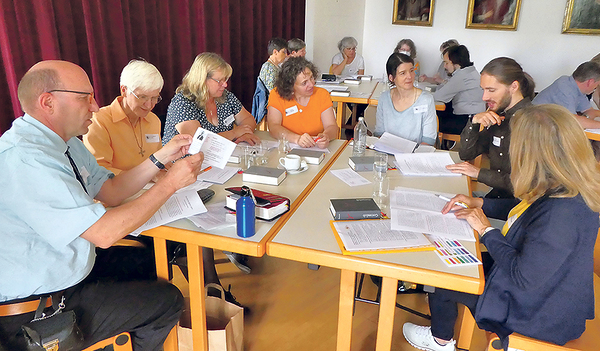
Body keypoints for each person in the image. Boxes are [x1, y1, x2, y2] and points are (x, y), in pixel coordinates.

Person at [0, 60, 204, 350]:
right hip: (39, 304)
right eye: (85, 97)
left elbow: (110, 191)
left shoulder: (65, 143)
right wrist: (170, 184)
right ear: (48, 102)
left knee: (153, 264)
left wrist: (161, 158)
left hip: (71, 264)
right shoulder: (26, 159)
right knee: (167, 300)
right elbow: (104, 234)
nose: (95, 106)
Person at [403, 104, 600, 351]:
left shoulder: (562, 213)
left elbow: (522, 277)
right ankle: (441, 337)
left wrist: (486, 230)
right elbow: (526, 212)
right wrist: (481, 203)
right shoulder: (567, 183)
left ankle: (440, 341)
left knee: (447, 276)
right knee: (448, 265)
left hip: (536, 312)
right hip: (544, 289)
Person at [448, 57, 534, 199]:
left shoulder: (532, 124)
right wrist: (474, 123)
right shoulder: (499, 117)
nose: (484, 97)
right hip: (497, 197)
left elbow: (524, 183)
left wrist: (478, 173)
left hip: (517, 207)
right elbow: (466, 154)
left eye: (491, 90)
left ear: (514, 87)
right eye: (483, 90)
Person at [83, 59, 163, 175]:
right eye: (142, 97)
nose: (149, 105)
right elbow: (99, 171)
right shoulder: (99, 121)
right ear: (124, 91)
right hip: (117, 190)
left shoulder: (153, 120)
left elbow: (158, 159)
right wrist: (145, 175)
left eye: (154, 98)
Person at [163, 52, 260, 146]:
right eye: (219, 81)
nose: (225, 85)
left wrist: (245, 134)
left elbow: (248, 119)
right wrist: (234, 133)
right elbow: (198, 141)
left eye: (225, 79)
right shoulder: (182, 102)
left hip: (218, 158)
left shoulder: (225, 96)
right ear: (202, 79)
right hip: (183, 161)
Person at [267, 57, 339, 148]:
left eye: (312, 78)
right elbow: (273, 127)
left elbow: (332, 126)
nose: (312, 84)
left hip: (315, 147)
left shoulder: (322, 94)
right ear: (291, 87)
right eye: (304, 83)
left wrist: (326, 136)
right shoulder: (277, 95)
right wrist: (297, 139)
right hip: (286, 147)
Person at [374, 53, 437, 146]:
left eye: (411, 71)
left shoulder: (426, 100)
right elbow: (379, 134)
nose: (409, 76)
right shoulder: (384, 98)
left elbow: (428, 140)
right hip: (387, 152)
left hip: (414, 155)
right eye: (403, 73)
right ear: (391, 77)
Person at [434, 45, 485, 136]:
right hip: (474, 117)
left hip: (467, 122)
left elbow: (439, 96)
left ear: (455, 63)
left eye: (446, 63)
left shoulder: (461, 76)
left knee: (429, 120)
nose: (445, 66)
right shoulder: (470, 71)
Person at [533, 61, 600, 128]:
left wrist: (588, 117)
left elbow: (590, 111)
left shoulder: (577, 88)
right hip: (535, 126)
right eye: (597, 85)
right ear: (590, 82)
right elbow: (573, 121)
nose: (596, 88)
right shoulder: (564, 87)